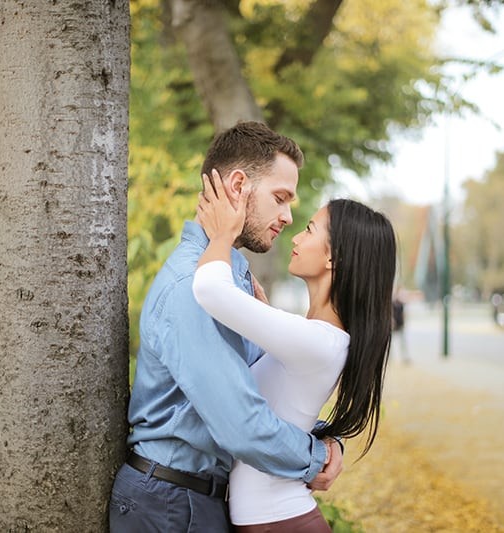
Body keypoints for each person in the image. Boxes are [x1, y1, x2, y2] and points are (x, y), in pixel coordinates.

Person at [108, 122, 343, 533]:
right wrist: (313, 458)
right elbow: (243, 424)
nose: (288, 216)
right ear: (238, 185)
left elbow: (262, 386)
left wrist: (325, 438)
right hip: (170, 504)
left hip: (194, 499)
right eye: (281, 198)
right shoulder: (192, 288)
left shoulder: (230, 275)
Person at [192, 171, 397, 531]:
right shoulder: (317, 338)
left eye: (310, 230)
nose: (296, 236)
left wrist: (223, 235)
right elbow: (283, 410)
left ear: (334, 258)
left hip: (280, 521)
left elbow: (210, 289)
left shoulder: (318, 341)